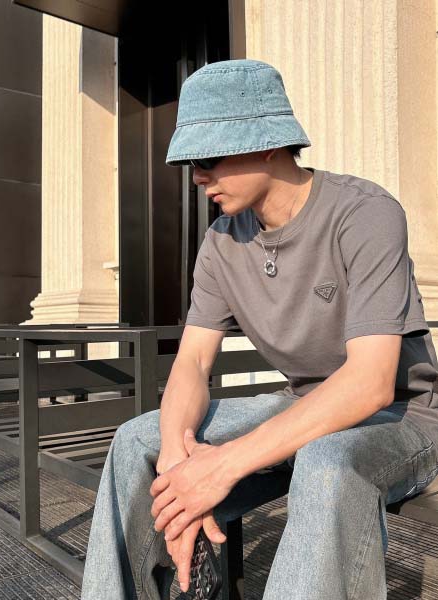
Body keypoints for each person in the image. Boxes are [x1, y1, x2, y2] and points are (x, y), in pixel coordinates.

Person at [81, 59, 438, 600]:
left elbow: (370, 383)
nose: (197, 176)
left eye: (207, 159)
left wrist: (222, 467)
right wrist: (178, 471)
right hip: (302, 407)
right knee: (139, 442)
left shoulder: (365, 213)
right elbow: (193, 362)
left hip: (402, 417)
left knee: (327, 460)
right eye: (191, 163)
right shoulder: (222, 242)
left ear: (267, 144)